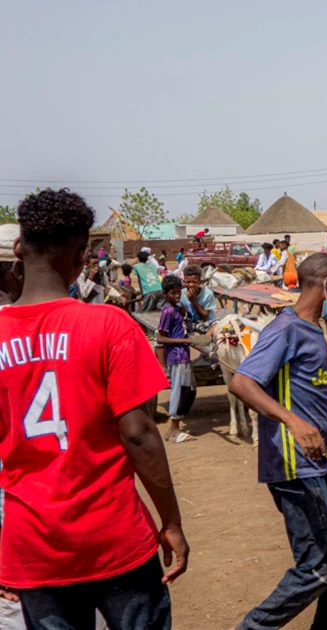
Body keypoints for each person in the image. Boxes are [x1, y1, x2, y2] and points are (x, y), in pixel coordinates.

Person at [0, 189, 187, 629]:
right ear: (84, 256)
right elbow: (139, 433)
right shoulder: (108, 325)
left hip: (34, 548)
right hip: (114, 538)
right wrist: (172, 522)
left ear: (18, 249)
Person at [228, 253, 327, 629]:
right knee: (318, 568)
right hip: (293, 465)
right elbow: (242, 382)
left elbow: (314, 400)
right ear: (326, 285)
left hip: (317, 461)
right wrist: (291, 421)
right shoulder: (285, 329)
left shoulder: (313, 331)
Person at [157, 275, 195, 443]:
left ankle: (172, 429)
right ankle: (174, 429)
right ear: (165, 293)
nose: (177, 296)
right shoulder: (168, 311)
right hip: (176, 356)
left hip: (183, 355)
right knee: (179, 391)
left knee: (189, 391)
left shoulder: (179, 309)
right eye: (173, 293)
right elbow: (161, 338)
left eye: (179, 292)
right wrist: (184, 341)